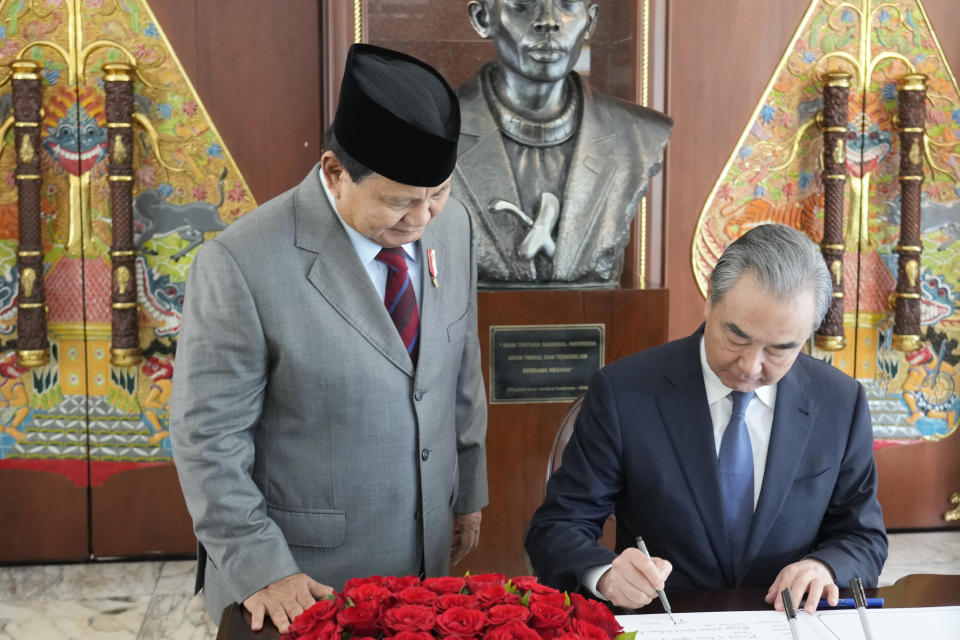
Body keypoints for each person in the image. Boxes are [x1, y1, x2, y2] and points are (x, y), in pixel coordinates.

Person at [170, 44, 488, 633]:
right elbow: (207, 438)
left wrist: (467, 491)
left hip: (425, 561)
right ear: (334, 172)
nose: (422, 221)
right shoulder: (241, 264)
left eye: (437, 194)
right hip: (304, 577)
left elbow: (458, 365)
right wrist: (261, 566)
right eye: (399, 202)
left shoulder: (456, 228)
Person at [525, 224, 887, 614]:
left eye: (780, 350)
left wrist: (825, 566)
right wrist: (607, 574)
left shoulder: (839, 402)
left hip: (787, 624)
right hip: (666, 623)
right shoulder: (625, 393)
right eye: (736, 337)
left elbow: (862, 536)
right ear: (710, 299)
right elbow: (558, 526)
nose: (751, 367)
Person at [453, 0, 672, 287]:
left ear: (591, 21)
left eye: (567, 4)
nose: (548, 21)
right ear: (483, 18)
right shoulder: (437, 132)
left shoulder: (641, 134)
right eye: (522, 4)